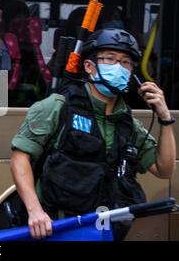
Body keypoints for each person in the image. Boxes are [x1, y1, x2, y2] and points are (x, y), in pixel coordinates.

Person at [10, 28, 176, 241]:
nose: (119, 67)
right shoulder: (59, 106)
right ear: (89, 66)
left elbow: (164, 169)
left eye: (126, 62)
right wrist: (35, 211)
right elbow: (19, 157)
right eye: (109, 59)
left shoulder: (128, 124)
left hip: (103, 232)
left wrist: (165, 118)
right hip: (59, 228)